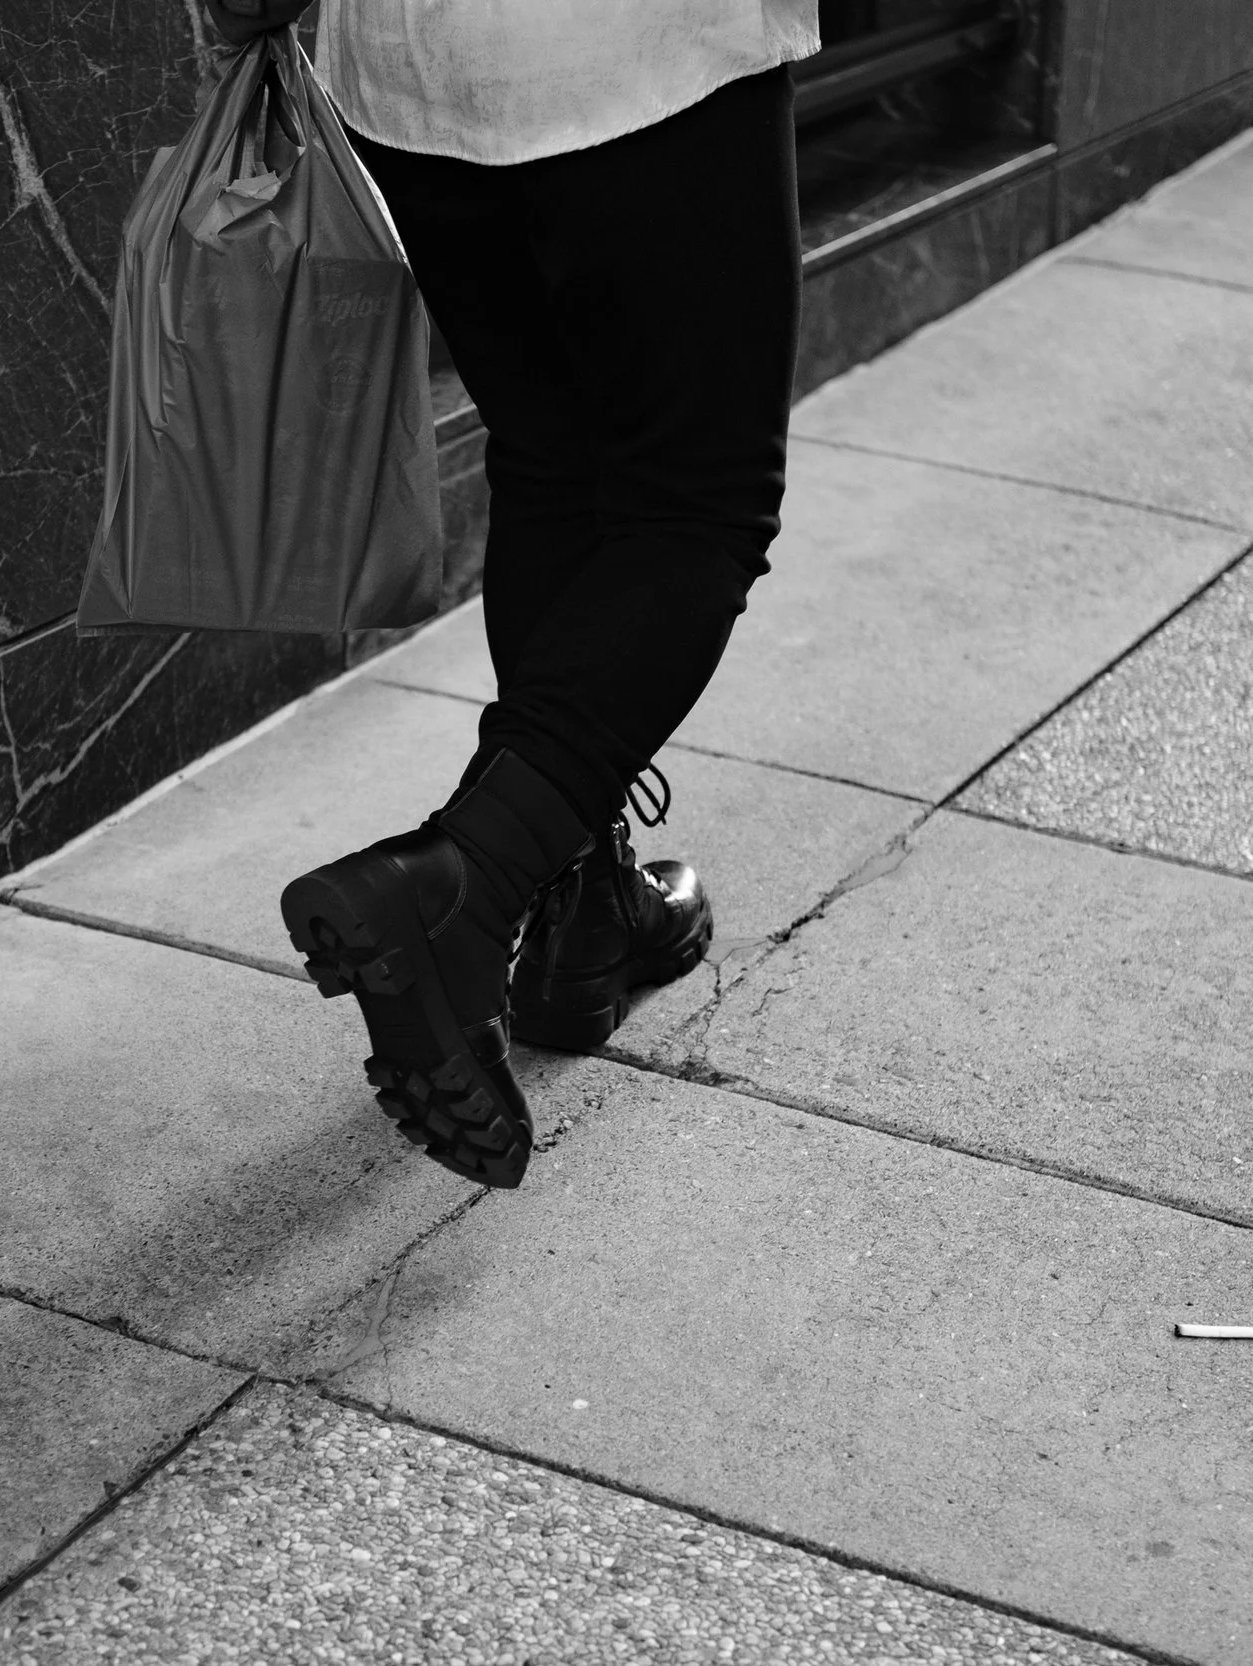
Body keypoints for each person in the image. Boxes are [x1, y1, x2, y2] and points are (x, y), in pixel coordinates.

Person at [219, 0, 818, 1188]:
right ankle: (469, 882)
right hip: (631, 48)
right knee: (693, 505)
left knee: (557, 459)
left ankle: (577, 909)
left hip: (410, 62)